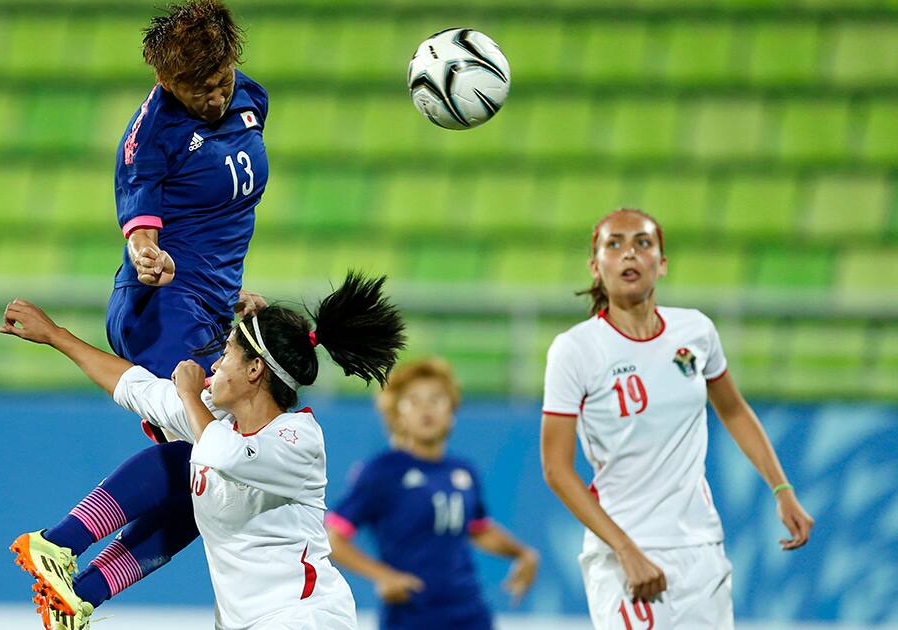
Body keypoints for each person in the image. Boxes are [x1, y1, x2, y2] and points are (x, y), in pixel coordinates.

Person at [7, 2, 273, 628]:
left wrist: (226, 291)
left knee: (217, 481)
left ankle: (83, 592)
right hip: (161, 307)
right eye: (196, 89)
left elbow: (218, 212)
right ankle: (59, 542)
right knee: (209, 449)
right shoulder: (148, 136)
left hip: (209, 305)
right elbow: (141, 217)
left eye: (221, 81)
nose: (213, 97)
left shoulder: (251, 101)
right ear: (165, 83)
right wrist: (147, 252)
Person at [1, 272, 406, 629]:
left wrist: (190, 395)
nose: (213, 365)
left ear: (254, 370)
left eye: (227, 352)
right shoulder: (214, 419)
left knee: (190, 458)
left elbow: (226, 455)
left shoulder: (299, 438)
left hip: (304, 616)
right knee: (190, 475)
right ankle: (76, 586)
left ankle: (62, 552)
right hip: (240, 622)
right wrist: (55, 335)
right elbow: (134, 386)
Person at [540, 208, 815, 628]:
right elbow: (556, 469)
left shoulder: (695, 332)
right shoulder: (576, 350)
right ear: (596, 267)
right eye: (614, 244)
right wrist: (625, 550)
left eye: (643, 243)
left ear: (662, 264)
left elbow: (734, 409)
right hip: (625, 550)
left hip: (701, 548)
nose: (629, 254)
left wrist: (781, 488)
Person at [325, 357, 540, 630]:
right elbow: (334, 538)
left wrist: (522, 553)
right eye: (414, 400)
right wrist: (383, 576)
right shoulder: (383, 471)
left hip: (469, 612)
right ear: (396, 413)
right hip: (412, 615)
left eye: (437, 399)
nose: (426, 408)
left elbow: (478, 529)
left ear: (452, 408)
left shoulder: (462, 471)